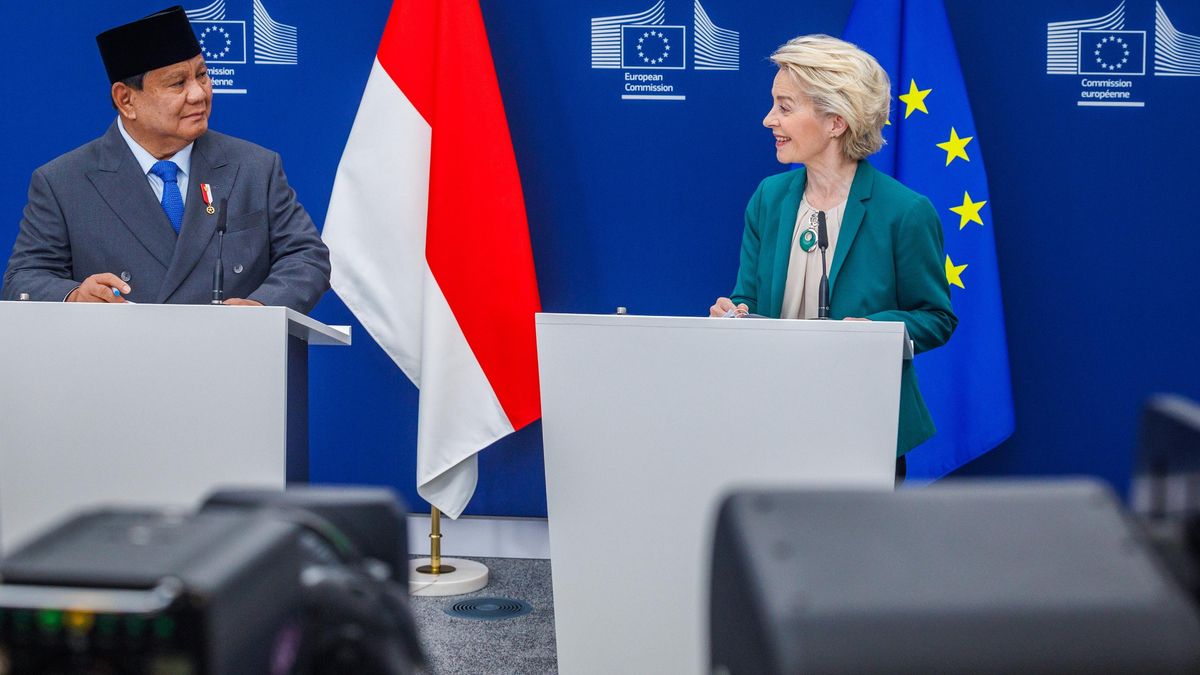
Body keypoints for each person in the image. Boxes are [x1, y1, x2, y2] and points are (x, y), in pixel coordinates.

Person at [709, 35, 957, 477]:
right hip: (771, 418)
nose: (769, 119)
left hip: (864, 424)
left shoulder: (904, 212)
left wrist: (873, 332)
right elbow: (748, 296)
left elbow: (936, 317)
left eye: (785, 107)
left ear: (836, 122)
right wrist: (735, 314)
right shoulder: (769, 198)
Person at [1, 6, 329, 313]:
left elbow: (306, 257)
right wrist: (76, 296)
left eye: (202, 75)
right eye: (178, 83)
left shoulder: (255, 167)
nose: (199, 94)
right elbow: (23, 278)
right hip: (120, 353)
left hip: (231, 350)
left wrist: (260, 308)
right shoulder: (63, 182)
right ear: (126, 100)